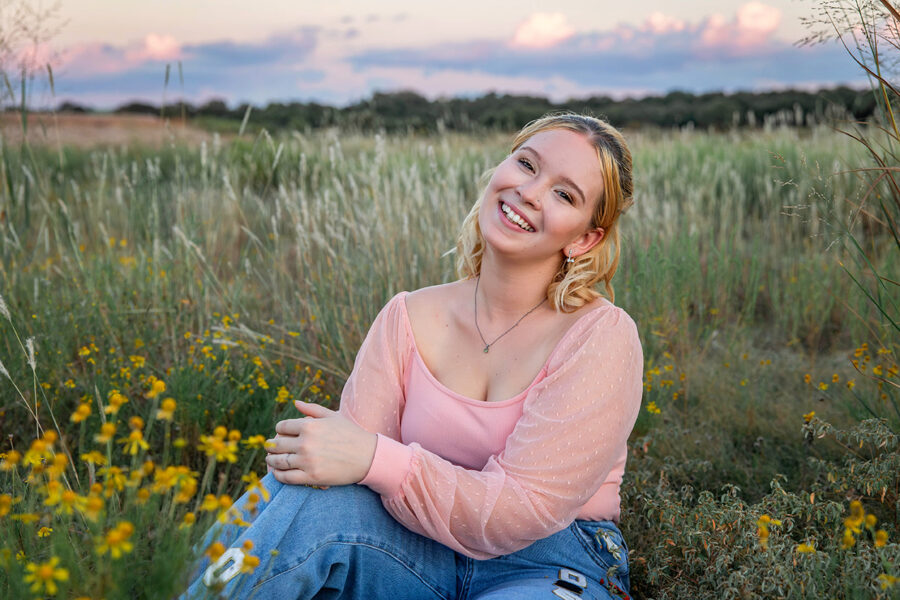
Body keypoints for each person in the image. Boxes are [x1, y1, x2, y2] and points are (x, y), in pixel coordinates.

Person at [183, 112, 643, 600]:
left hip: (547, 563)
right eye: (526, 165)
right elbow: (345, 477)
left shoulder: (600, 335)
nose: (529, 192)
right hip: (413, 548)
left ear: (584, 238)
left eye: (563, 194)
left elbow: (521, 510)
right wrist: (329, 458)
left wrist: (376, 458)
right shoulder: (407, 316)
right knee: (304, 498)